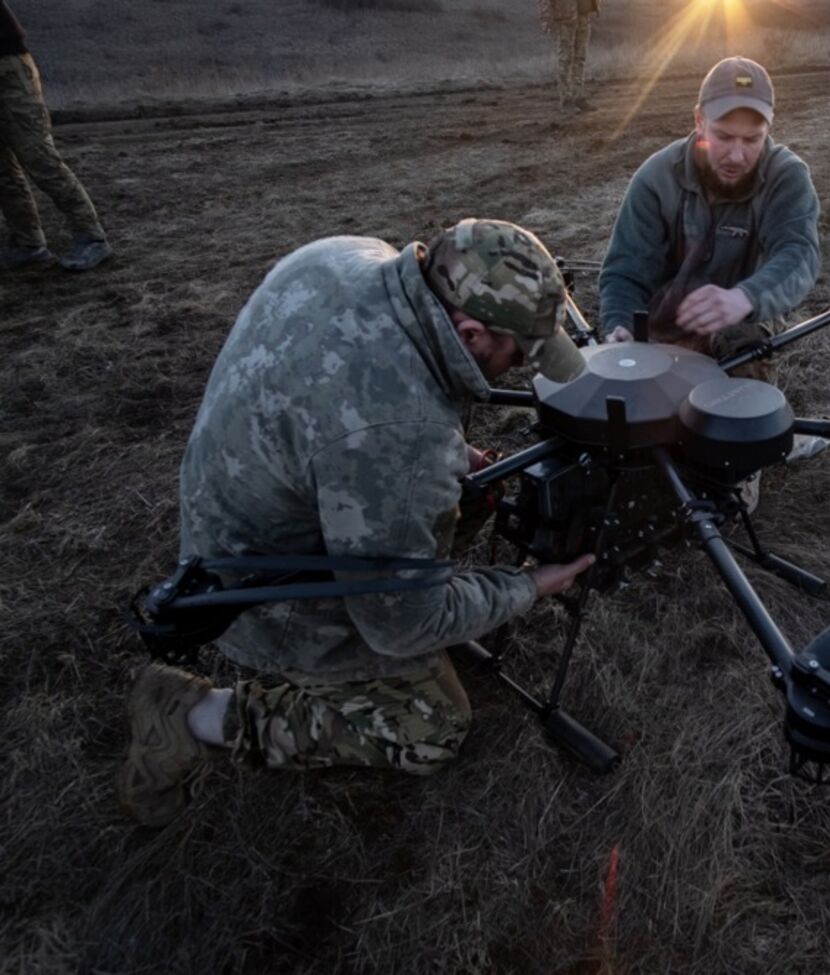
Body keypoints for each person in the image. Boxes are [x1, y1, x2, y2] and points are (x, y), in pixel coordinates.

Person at [117, 219, 594, 827]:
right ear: (471, 332)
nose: (523, 367)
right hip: (264, 592)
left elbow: (344, 419)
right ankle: (190, 714)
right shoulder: (397, 433)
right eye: (521, 352)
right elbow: (401, 625)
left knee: (462, 499)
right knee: (431, 726)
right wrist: (531, 584)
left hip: (236, 512)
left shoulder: (348, 256)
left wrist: (430, 463)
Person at [598, 56, 826, 480]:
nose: (737, 154)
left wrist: (745, 297)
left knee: (744, 345)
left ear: (768, 131)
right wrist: (619, 330)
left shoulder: (787, 176)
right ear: (699, 121)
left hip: (741, 321)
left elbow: (799, 255)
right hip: (666, 320)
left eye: (752, 139)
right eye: (723, 136)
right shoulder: (656, 177)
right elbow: (625, 271)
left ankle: (740, 474)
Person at [0, 0, 111, 271]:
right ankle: (28, 244)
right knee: (3, 170)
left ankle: (92, 237)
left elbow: (14, 33)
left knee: (39, 158)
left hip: (8, 69)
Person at [538, 0, 600, 113]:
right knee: (565, 60)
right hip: (566, 17)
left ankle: (578, 97)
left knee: (580, 58)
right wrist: (545, 18)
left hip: (583, 14)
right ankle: (566, 101)